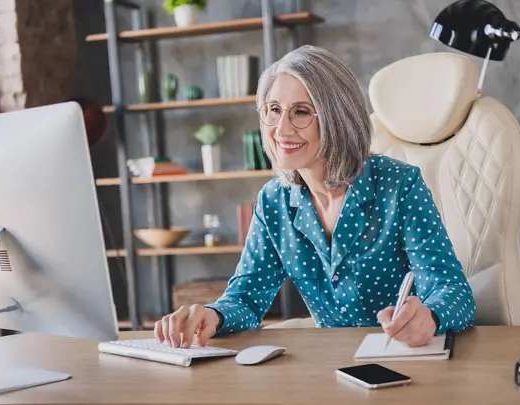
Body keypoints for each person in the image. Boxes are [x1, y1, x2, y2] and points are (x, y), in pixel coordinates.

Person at [154, 45, 476, 349]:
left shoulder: (399, 185)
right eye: (274, 110)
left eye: (301, 112)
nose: (281, 129)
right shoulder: (273, 201)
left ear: (337, 118)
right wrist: (212, 315)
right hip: (329, 365)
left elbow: (454, 292)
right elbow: (246, 298)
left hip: (402, 356)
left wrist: (430, 318)